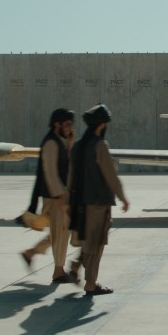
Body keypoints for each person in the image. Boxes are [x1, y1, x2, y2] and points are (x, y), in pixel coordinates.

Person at [67, 103, 129, 296]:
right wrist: (123, 198)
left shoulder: (78, 146)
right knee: (96, 243)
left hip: (80, 202)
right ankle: (91, 284)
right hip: (97, 203)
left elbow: (70, 176)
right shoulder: (100, 145)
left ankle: (76, 265)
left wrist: (69, 202)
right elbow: (110, 175)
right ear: (102, 125)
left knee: (87, 239)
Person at [20, 108, 78, 284]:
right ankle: (58, 272)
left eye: (71, 124)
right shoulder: (51, 144)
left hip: (58, 196)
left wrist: (69, 144)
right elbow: (50, 173)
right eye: (67, 124)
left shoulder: (59, 142)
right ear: (57, 124)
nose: (70, 128)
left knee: (58, 234)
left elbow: (66, 166)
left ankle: (30, 253)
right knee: (61, 233)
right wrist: (62, 197)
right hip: (55, 198)